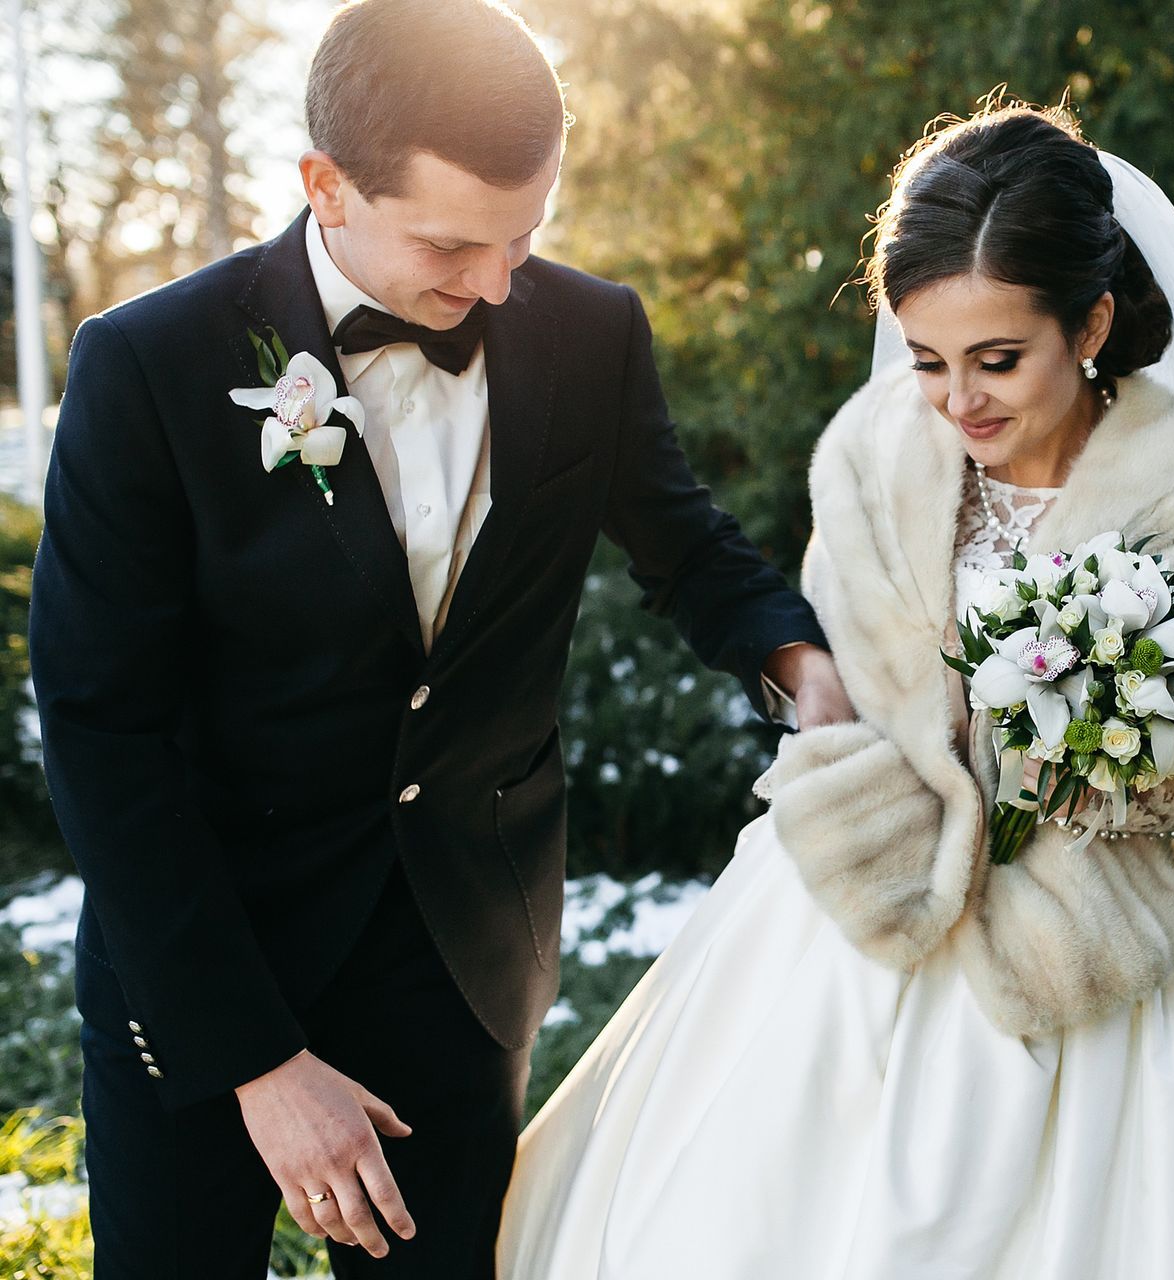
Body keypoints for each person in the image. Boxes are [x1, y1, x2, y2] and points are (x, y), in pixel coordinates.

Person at [497, 101, 1174, 1279]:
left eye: (998, 359)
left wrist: (1122, 746)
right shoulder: (878, 462)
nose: (959, 401)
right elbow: (853, 682)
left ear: (1093, 322)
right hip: (866, 903)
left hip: (1106, 948)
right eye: (927, 360)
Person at [26, 1, 851, 1275]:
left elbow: (688, 547)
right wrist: (256, 1058)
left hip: (463, 950)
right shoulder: (148, 366)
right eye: (455, 243)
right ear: (325, 184)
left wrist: (801, 667)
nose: (499, 284)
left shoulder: (589, 334)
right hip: (204, 945)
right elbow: (101, 729)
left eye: (529, 234)